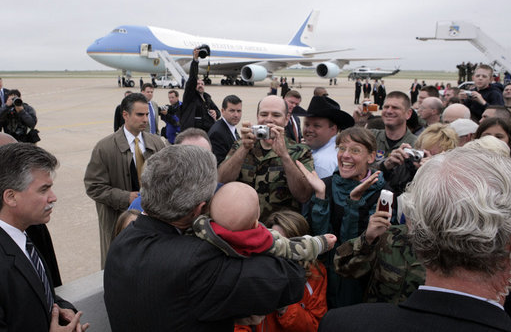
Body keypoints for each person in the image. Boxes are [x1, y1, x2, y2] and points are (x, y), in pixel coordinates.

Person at [104, 145, 307, 331]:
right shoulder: (198, 261)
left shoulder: (123, 240)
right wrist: (248, 229)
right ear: (201, 208)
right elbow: (291, 279)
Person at [319, 148, 511, 332]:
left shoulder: (343, 324)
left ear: (414, 228)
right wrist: (368, 238)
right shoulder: (390, 237)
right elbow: (344, 266)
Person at [297, 127, 391, 308]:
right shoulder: (325, 185)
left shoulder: (382, 194)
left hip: (358, 283)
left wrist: (353, 204)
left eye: (355, 150)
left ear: (371, 157)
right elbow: (321, 242)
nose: (345, 155)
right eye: (341, 148)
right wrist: (321, 197)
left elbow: (353, 253)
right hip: (325, 281)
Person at [0, 143, 89, 332]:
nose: (53, 197)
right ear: (10, 197)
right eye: (43, 190)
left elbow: (39, 293)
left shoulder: (25, 237)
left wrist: (63, 309)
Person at [84, 93, 165, 267]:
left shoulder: (157, 143)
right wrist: (125, 197)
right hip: (118, 220)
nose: (145, 119)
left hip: (153, 218)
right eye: (140, 115)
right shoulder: (104, 147)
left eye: (146, 114)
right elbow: (93, 186)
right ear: (125, 115)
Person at [218, 95, 313, 219]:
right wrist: (243, 149)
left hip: (278, 228)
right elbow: (221, 180)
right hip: (243, 222)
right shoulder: (242, 145)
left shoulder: (300, 151)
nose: (269, 120)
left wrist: (285, 156)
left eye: (276, 115)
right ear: (257, 117)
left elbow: (303, 195)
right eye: (263, 114)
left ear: (286, 119)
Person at [235, 210, 330, 332]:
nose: (283, 252)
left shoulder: (315, 273)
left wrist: (285, 304)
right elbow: (237, 324)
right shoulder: (252, 268)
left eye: (289, 245)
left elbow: (314, 326)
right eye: (278, 245)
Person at [193, 182, 335, 262]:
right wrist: (320, 243)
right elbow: (293, 248)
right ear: (256, 222)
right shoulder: (262, 241)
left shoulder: (200, 228)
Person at [333, 197, 425, 304]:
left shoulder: (446, 255)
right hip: (375, 318)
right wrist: (368, 240)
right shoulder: (389, 235)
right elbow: (341, 266)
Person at [380, 123, 459, 198]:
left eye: (433, 156)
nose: (425, 159)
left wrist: (431, 174)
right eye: (423, 154)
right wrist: (385, 168)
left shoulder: (453, 177)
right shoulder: (405, 166)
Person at [293, 95, 354, 178]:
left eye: (316, 126)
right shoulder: (339, 148)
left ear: (333, 129)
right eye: (307, 124)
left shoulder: (321, 162)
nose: (309, 130)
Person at [368, 91, 417, 166]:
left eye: (395, 108)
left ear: (408, 113)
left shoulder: (416, 144)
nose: (389, 111)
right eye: (386, 107)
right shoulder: (370, 137)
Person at [180, 47, 221, 132]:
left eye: (202, 84)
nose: (200, 85)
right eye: (198, 84)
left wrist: (216, 113)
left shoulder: (207, 97)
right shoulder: (190, 96)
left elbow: (218, 111)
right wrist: (195, 60)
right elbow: (192, 78)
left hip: (206, 132)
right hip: (192, 132)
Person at [208, 95, 243, 165]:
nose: (236, 115)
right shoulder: (217, 133)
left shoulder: (230, 126)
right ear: (223, 111)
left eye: (239, 111)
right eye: (232, 111)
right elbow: (219, 165)